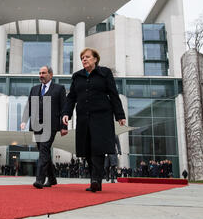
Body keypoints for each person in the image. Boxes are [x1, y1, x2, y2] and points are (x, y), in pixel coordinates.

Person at [62, 48, 126, 192]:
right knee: (87, 149)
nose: (84, 59)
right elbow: (71, 97)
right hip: (84, 117)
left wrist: (120, 115)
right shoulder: (77, 76)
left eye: (87, 57)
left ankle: (96, 180)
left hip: (102, 116)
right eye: (82, 58)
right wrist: (66, 113)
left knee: (98, 148)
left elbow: (113, 94)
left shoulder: (105, 73)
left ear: (95, 59)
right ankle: (94, 179)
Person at [21, 66, 67, 189]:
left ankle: (39, 180)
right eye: (40, 73)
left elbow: (64, 109)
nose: (41, 75)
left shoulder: (59, 89)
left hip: (51, 125)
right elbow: (28, 106)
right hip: (36, 125)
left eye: (44, 73)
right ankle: (52, 179)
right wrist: (24, 121)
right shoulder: (34, 89)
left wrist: (64, 126)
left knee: (44, 150)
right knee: (43, 151)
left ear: (51, 75)